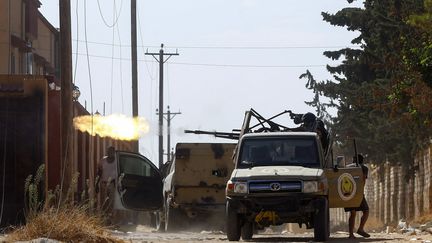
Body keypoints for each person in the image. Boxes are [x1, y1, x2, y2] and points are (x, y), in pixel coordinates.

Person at [345, 154, 370, 239]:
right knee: (366, 210)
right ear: (362, 160)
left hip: (348, 193)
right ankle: (360, 229)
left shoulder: (346, 168)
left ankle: (351, 234)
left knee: (352, 213)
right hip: (358, 193)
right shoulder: (364, 168)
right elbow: (363, 180)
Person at [96, 146, 118, 225]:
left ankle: (110, 220)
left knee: (111, 203)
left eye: (112, 151)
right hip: (103, 184)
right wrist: (96, 184)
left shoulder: (116, 161)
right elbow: (99, 173)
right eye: (109, 151)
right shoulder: (103, 160)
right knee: (104, 202)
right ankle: (103, 220)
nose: (110, 153)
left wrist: (117, 185)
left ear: (114, 152)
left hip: (112, 184)